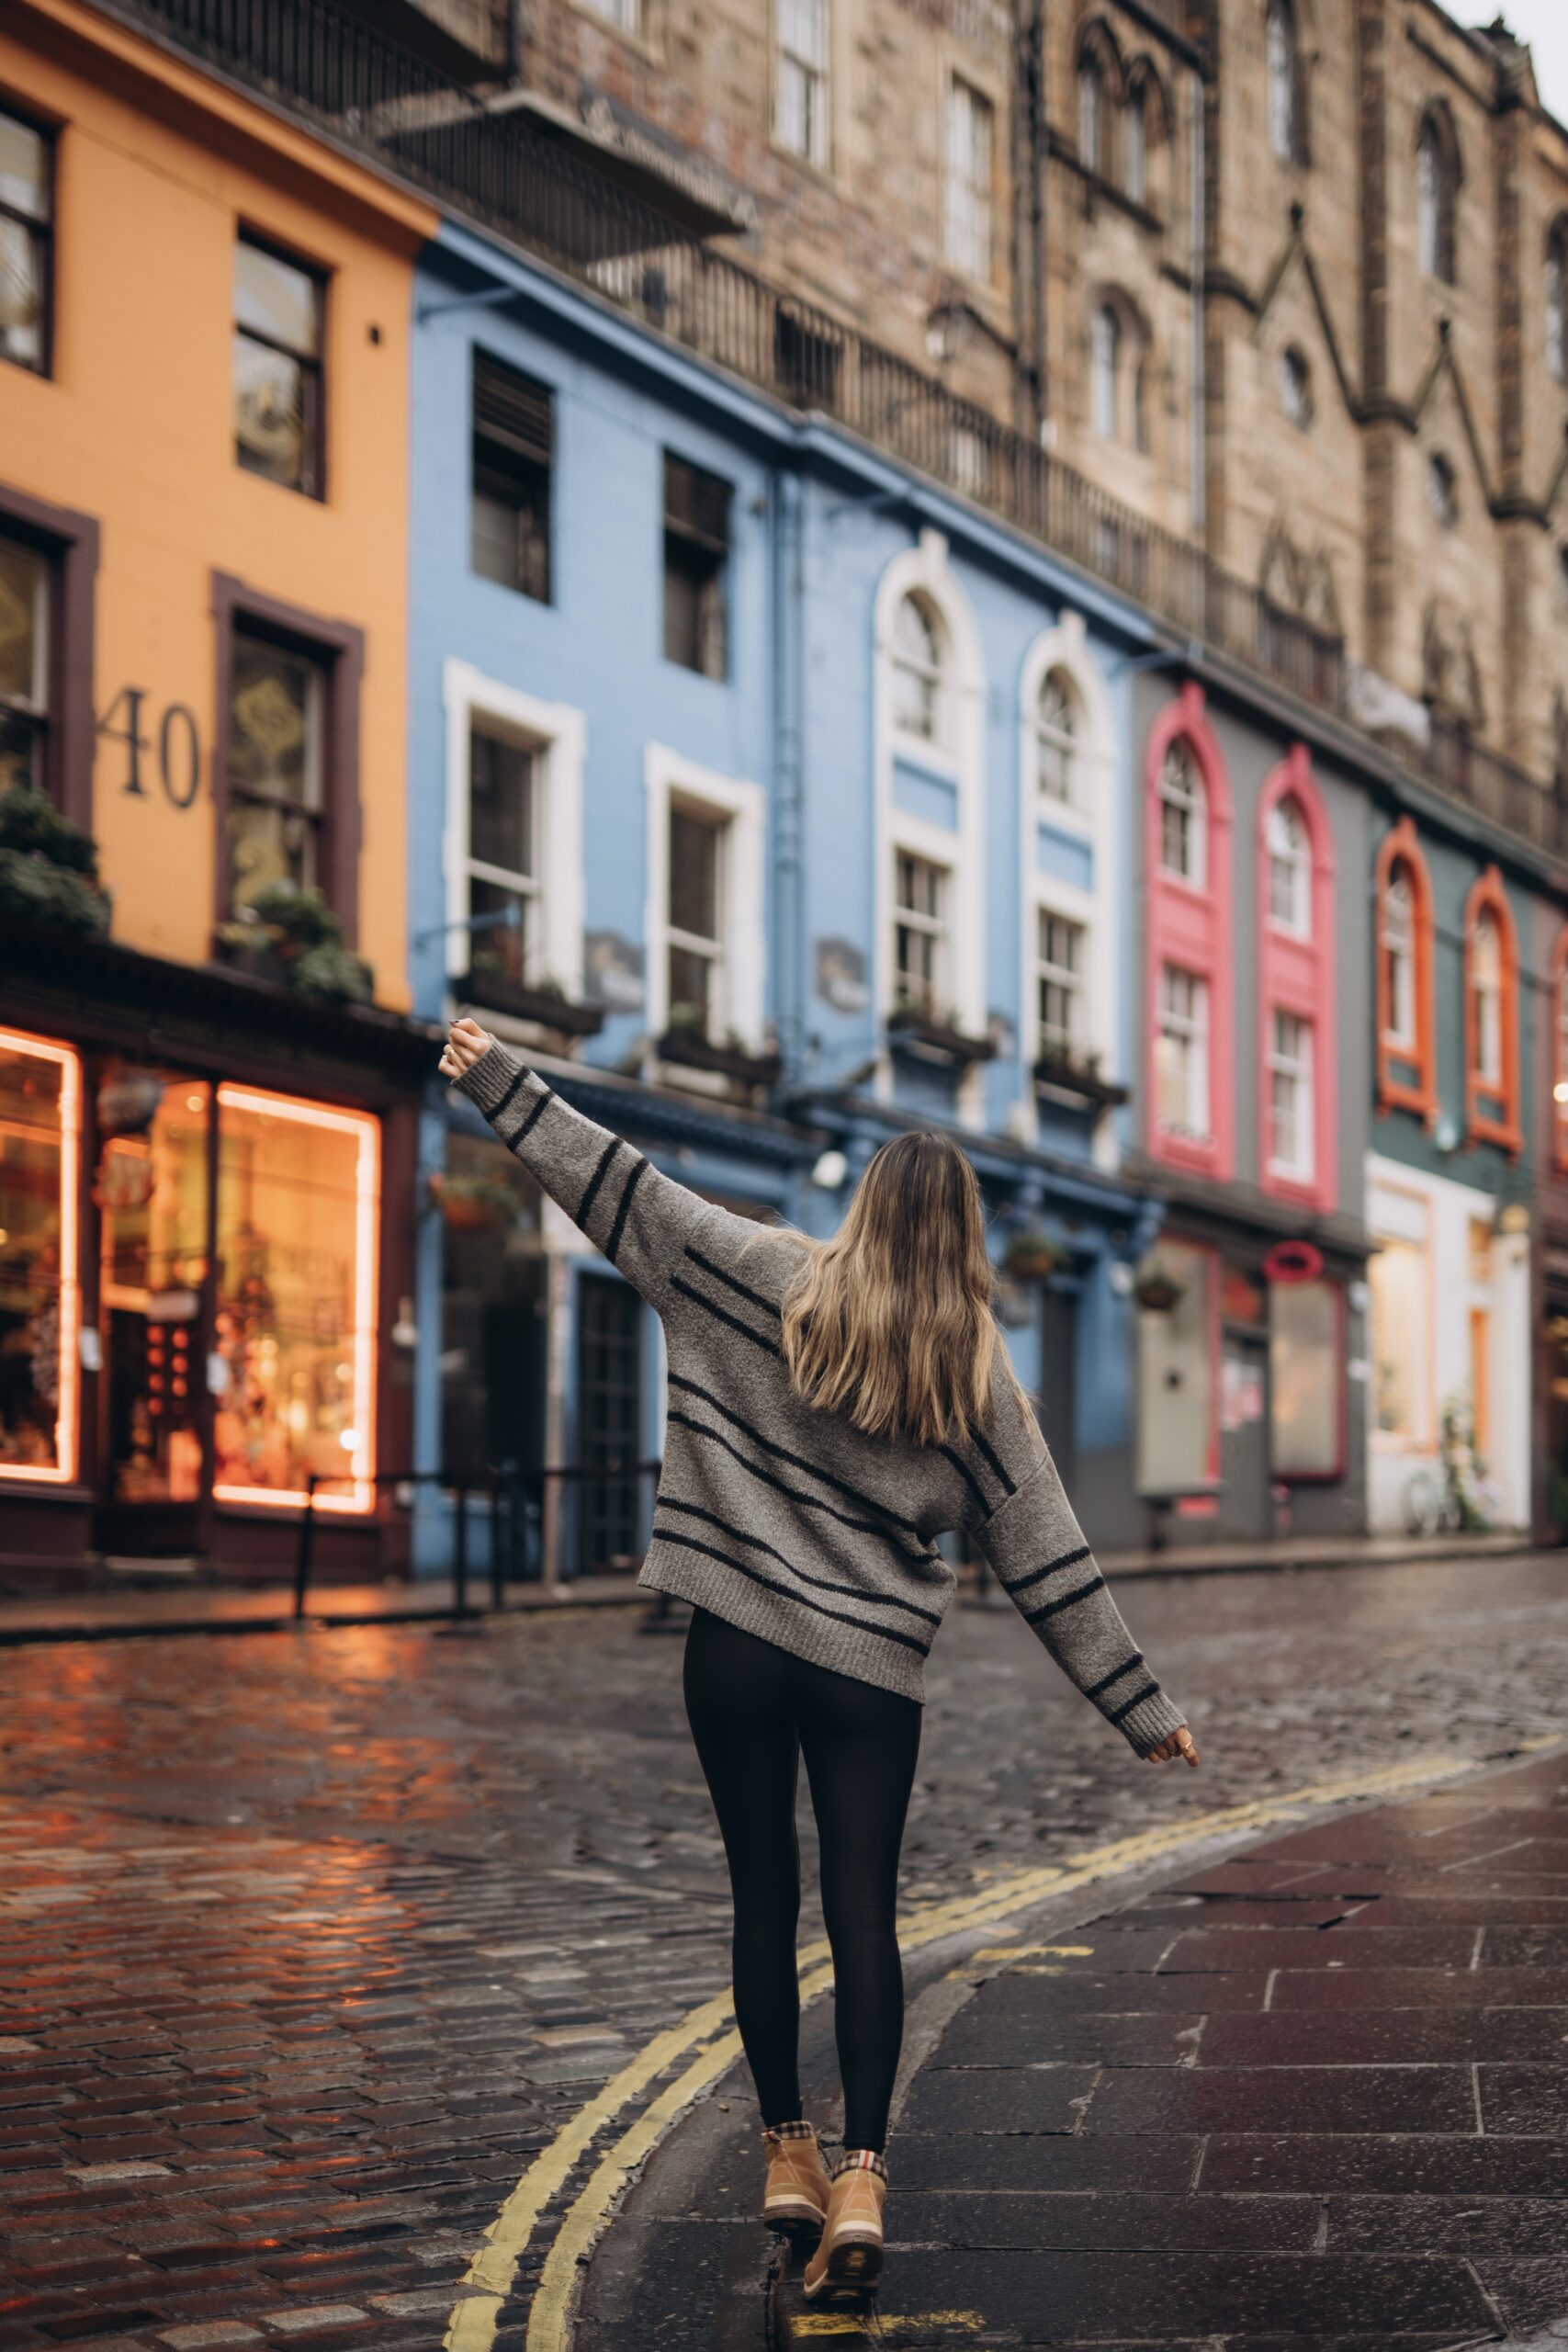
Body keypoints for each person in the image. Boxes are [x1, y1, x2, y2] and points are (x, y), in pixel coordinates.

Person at [440, 1015, 1196, 2301]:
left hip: (732, 1646)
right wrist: (1141, 1708)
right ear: (964, 1237)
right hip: (865, 1681)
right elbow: (1050, 1563)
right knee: (861, 1916)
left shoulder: (757, 1271)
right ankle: (860, 2178)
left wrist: (504, 1082)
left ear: (863, 1204)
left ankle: (784, 2152)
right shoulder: (977, 1389)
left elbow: (617, 1184)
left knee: (758, 1900)